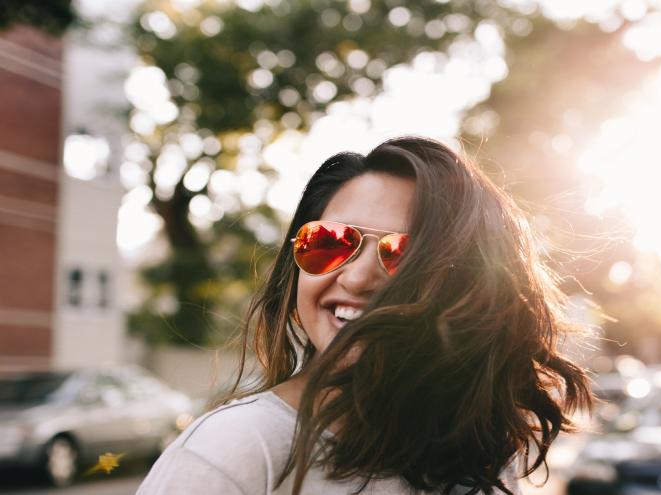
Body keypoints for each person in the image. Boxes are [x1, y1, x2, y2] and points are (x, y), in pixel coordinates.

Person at [137, 136, 592, 495]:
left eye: (406, 255)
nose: (355, 280)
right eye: (331, 242)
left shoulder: (479, 456)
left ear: (471, 291)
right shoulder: (235, 450)